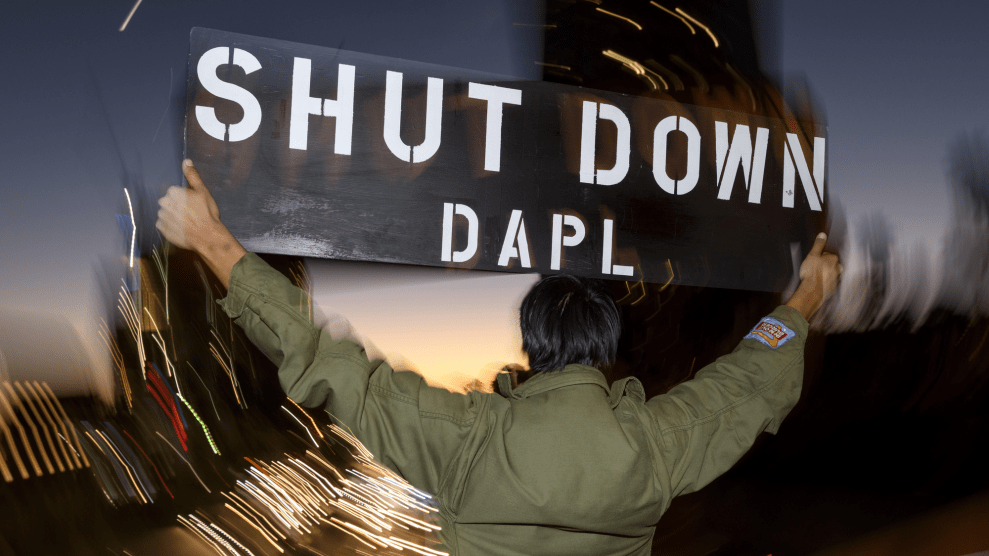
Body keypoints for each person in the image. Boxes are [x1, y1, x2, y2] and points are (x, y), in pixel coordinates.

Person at [157, 159, 842, 556]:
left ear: (533, 346)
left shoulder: (467, 440)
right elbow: (748, 380)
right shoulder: (655, 446)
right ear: (604, 348)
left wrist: (215, 243)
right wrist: (804, 299)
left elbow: (327, 360)